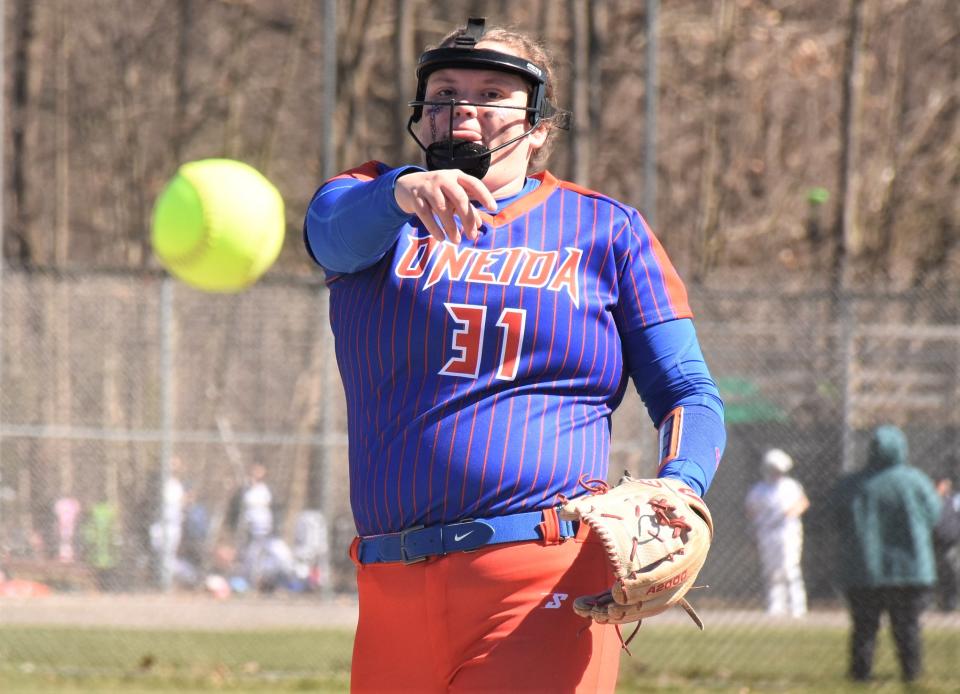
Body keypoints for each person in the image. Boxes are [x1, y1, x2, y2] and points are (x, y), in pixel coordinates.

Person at [303, 17, 725, 692]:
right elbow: (330, 236)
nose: (463, 105)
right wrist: (397, 192)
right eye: (445, 89)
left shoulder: (606, 230)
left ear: (537, 126)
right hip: (388, 584)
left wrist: (683, 484)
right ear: (421, 113)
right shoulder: (369, 207)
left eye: (493, 92)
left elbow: (687, 392)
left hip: (541, 573)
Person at [828, 425, 941, 683]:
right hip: (910, 570)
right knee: (908, 627)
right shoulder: (916, 481)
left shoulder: (852, 485)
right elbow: (934, 515)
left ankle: (860, 675)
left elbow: (835, 517)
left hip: (864, 570)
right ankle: (911, 675)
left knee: (865, 628)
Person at [744, 448, 809, 617]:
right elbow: (750, 509)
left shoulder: (791, 486)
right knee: (771, 570)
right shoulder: (759, 489)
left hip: (788, 532)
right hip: (766, 533)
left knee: (790, 567)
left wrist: (790, 513)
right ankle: (776, 606)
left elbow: (803, 503)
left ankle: (797, 606)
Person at [932, 476, 960, 611]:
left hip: (950, 544)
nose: (944, 486)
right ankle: (937, 602)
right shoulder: (930, 499)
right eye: (941, 484)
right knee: (936, 574)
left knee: (951, 572)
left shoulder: (955, 500)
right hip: (933, 544)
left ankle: (951, 603)